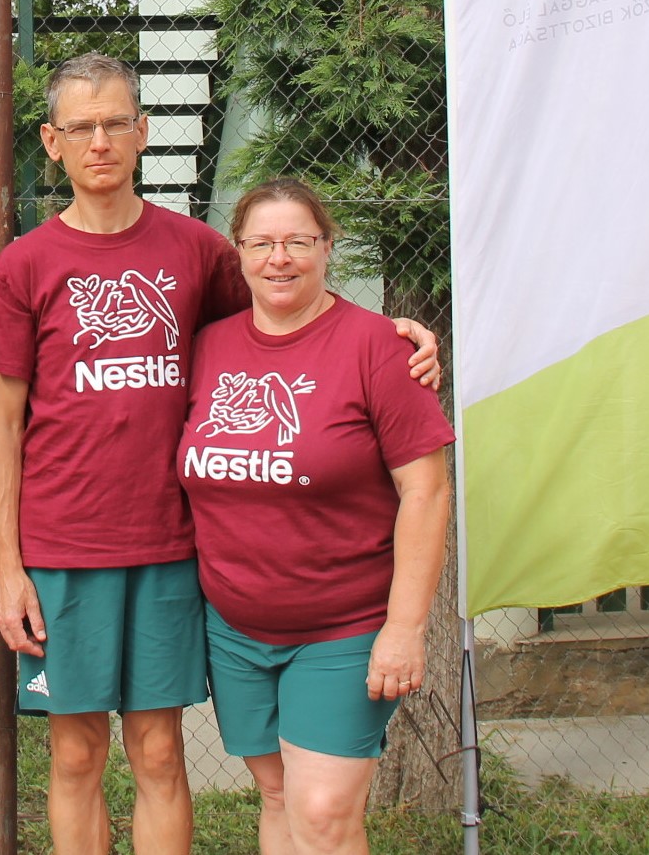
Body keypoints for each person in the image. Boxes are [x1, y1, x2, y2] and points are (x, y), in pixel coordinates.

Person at [0, 54, 439, 853]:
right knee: (76, 751)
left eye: (116, 122)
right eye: (80, 127)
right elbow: (0, 423)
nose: (99, 142)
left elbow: (285, 315)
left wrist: (392, 334)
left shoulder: (194, 251)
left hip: (167, 549)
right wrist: (8, 565)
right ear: (50, 142)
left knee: (157, 751)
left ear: (143, 133)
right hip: (61, 551)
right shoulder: (23, 264)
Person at [176, 178, 453, 855]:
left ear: (327, 248)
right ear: (236, 252)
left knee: (324, 809)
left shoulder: (377, 349)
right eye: (262, 243)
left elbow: (426, 492)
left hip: (343, 626)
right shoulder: (207, 344)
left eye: (297, 241)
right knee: (276, 795)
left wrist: (403, 627)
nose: (279, 258)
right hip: (235, 627)